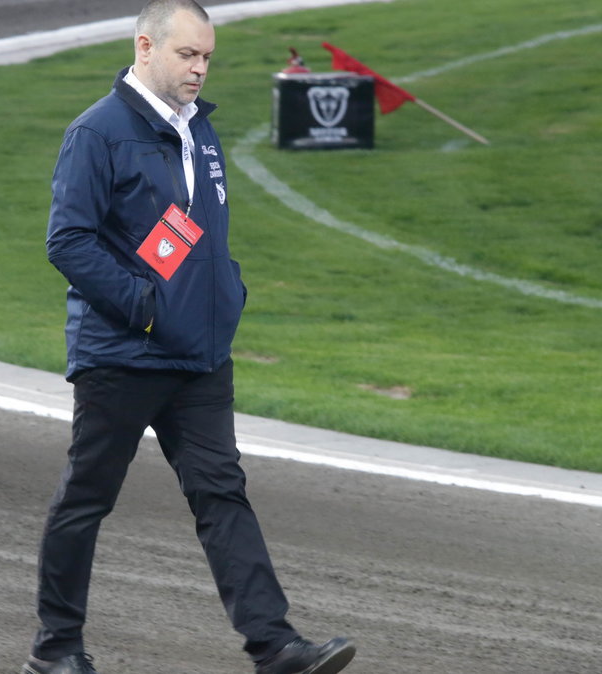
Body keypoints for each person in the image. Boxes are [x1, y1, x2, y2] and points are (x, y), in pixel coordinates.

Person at [23, 2, 356, 673]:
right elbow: (69, 242)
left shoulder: (199, 132)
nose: (200, 68)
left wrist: (223, 295)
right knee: (87, 499)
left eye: (207, 56)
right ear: (146, 47)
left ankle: (276, 647)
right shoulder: (98, 133)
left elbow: (198, 235)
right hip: (122, 355)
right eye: (188, 55)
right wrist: (144, 307)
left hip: (199, 355)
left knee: (220, 493)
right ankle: (55, 653)